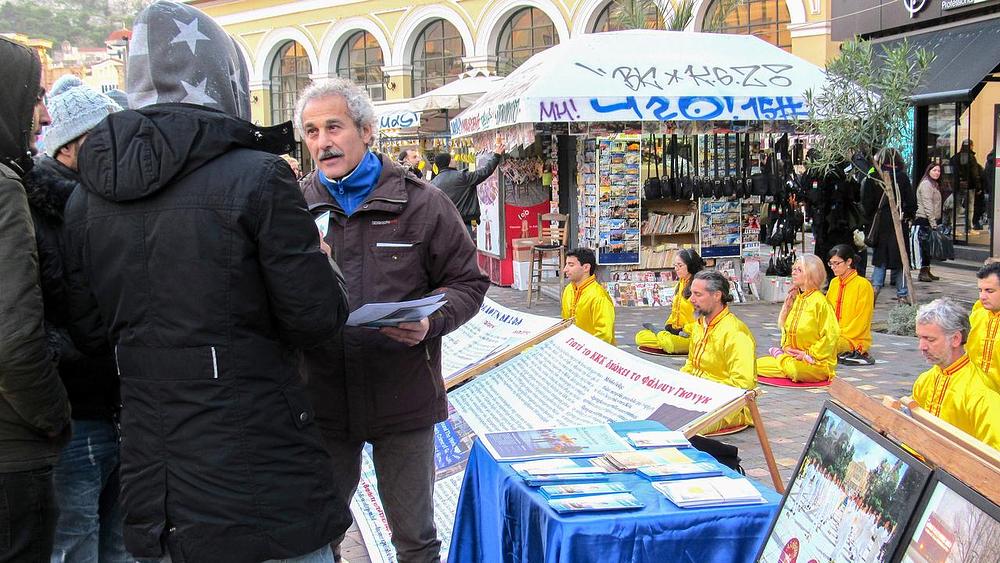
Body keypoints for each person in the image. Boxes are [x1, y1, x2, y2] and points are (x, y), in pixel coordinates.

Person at [62, 3, 350, 561]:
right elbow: (315, 318)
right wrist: (324, 263)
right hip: (263, 474)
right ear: (226, 75)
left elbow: (92, 333)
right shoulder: (258, 177)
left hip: (158, 486)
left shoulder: (84, 200)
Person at [296, 77, 488, 563]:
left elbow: (468, 282)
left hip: (403, 396)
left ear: (366, 130)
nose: (322, 142)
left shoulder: (422, 203)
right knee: (318, 536)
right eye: (312, 132)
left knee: (416, 540)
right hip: (321, 401)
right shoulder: (293, 207)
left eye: (334, 127)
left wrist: (430, 321)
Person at [25, 82, 131, 561]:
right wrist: (85, 354)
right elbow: (27, 319)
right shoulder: (37, 211)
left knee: (122, 542)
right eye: (100, 137)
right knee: (75, 541)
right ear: (67, 146)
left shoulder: (110, 203)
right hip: (75, 412)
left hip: (120, 407)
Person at [0, 35, 72, 563]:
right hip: (11, 449)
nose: (44, 117)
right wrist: (54, 415)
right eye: (34, 99)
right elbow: (13, 339)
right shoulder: (4, 186)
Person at [913, 298, 1000, 449]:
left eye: (930, 339)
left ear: (955, 339)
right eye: (920, 338)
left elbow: (993, 455)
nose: (922, 346)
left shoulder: (981, 392)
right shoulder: (924, 380)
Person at [682, 270, 756, 434]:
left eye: (697, 294)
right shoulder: (700, 325)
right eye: (691, 293)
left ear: (717, 296)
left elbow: (742, 385)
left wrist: (705, 394)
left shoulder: (735, 332)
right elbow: (691, 365)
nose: (691, 299)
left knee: (684, 428)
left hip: (724, 406)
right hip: (695, 396)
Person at [758, 254, 840, 383]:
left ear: (811, 275)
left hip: (815, 363)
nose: (793, 273)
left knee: (796, 371)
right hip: (793, 358)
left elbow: (831, 336)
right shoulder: (797, 299)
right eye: (794, 269)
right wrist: (786, 347)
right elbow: (786, 329)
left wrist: (808, 354)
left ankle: (780, 358)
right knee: (755, 365)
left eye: (799, 270)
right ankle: (783, 360)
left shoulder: (821, 303)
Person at [862, 148, 916, 303]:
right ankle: (902, 294)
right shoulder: (902, 177)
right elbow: (911, 203)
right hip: (898, 223)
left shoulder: (873, 177)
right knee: (900, 260)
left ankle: (875, 289)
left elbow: (866, 203)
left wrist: (871, 219)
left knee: (880, 260)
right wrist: (908, 216)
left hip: (880, 225)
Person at [634, 249, 704, 354]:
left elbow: (704, 320)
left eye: (680, 266)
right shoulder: (680, 284)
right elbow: (675, 311)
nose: (676, 269)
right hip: (676, 333)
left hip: (692, 335)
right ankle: (662, 336)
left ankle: (659, 334)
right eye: (675, 265)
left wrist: (684, 330)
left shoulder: (700, 287)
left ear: (691, 266)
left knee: (670, 343)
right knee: (640, 336)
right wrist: (669, 325)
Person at [431, 140, 504, 238]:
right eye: (452, 158)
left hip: (444, 226)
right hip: (463, 224)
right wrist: (496, 155)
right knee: (465, 247)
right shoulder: (462, 177)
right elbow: (485, 171)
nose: (455, 160)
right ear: (448, 162)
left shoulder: (433, 183)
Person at [825, 244, 875, 365]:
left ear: (849, 262)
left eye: (837, 263)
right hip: (833, 334)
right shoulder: (834, 283)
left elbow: (861, 321)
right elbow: (827, 312)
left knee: (824, 345)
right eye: (831, 263)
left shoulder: (863, 285)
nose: (833, 267)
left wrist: (837, 334)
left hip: (853, 339)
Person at [561, 248, 616, 344]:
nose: (565, 269)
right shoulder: (568, 290)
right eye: (566, 264)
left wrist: (582, 348)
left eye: (571, 265)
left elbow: (604, 335)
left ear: (586, 267)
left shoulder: (599, 296)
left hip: (592, 351)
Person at [966, 261, 1000, 392]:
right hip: (975, 395)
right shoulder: (977, 315)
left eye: (989, 291)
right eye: (980, 290)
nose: (982, 297)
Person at [911, 163, 943, 282]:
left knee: (928, 247)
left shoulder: (934, 184)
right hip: (923, 220)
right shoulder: (926, 184)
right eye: (934, 170)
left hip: (929, 220)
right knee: (924, 247)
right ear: (928, 171)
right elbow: (927, 204)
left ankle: (926, 270)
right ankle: (923, 272)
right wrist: (933, 222)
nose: (937, 173)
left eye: (938, 171)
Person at [951, 139, 984, 229]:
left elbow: (951, 172)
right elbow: (974, 174)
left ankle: (953, 227)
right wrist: (978, 187)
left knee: (956, 207)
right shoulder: (971, 157)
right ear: (971, 146)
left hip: (957, 186)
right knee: (970, 207)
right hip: (969, 186)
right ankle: (969, 227)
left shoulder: (955, 157)